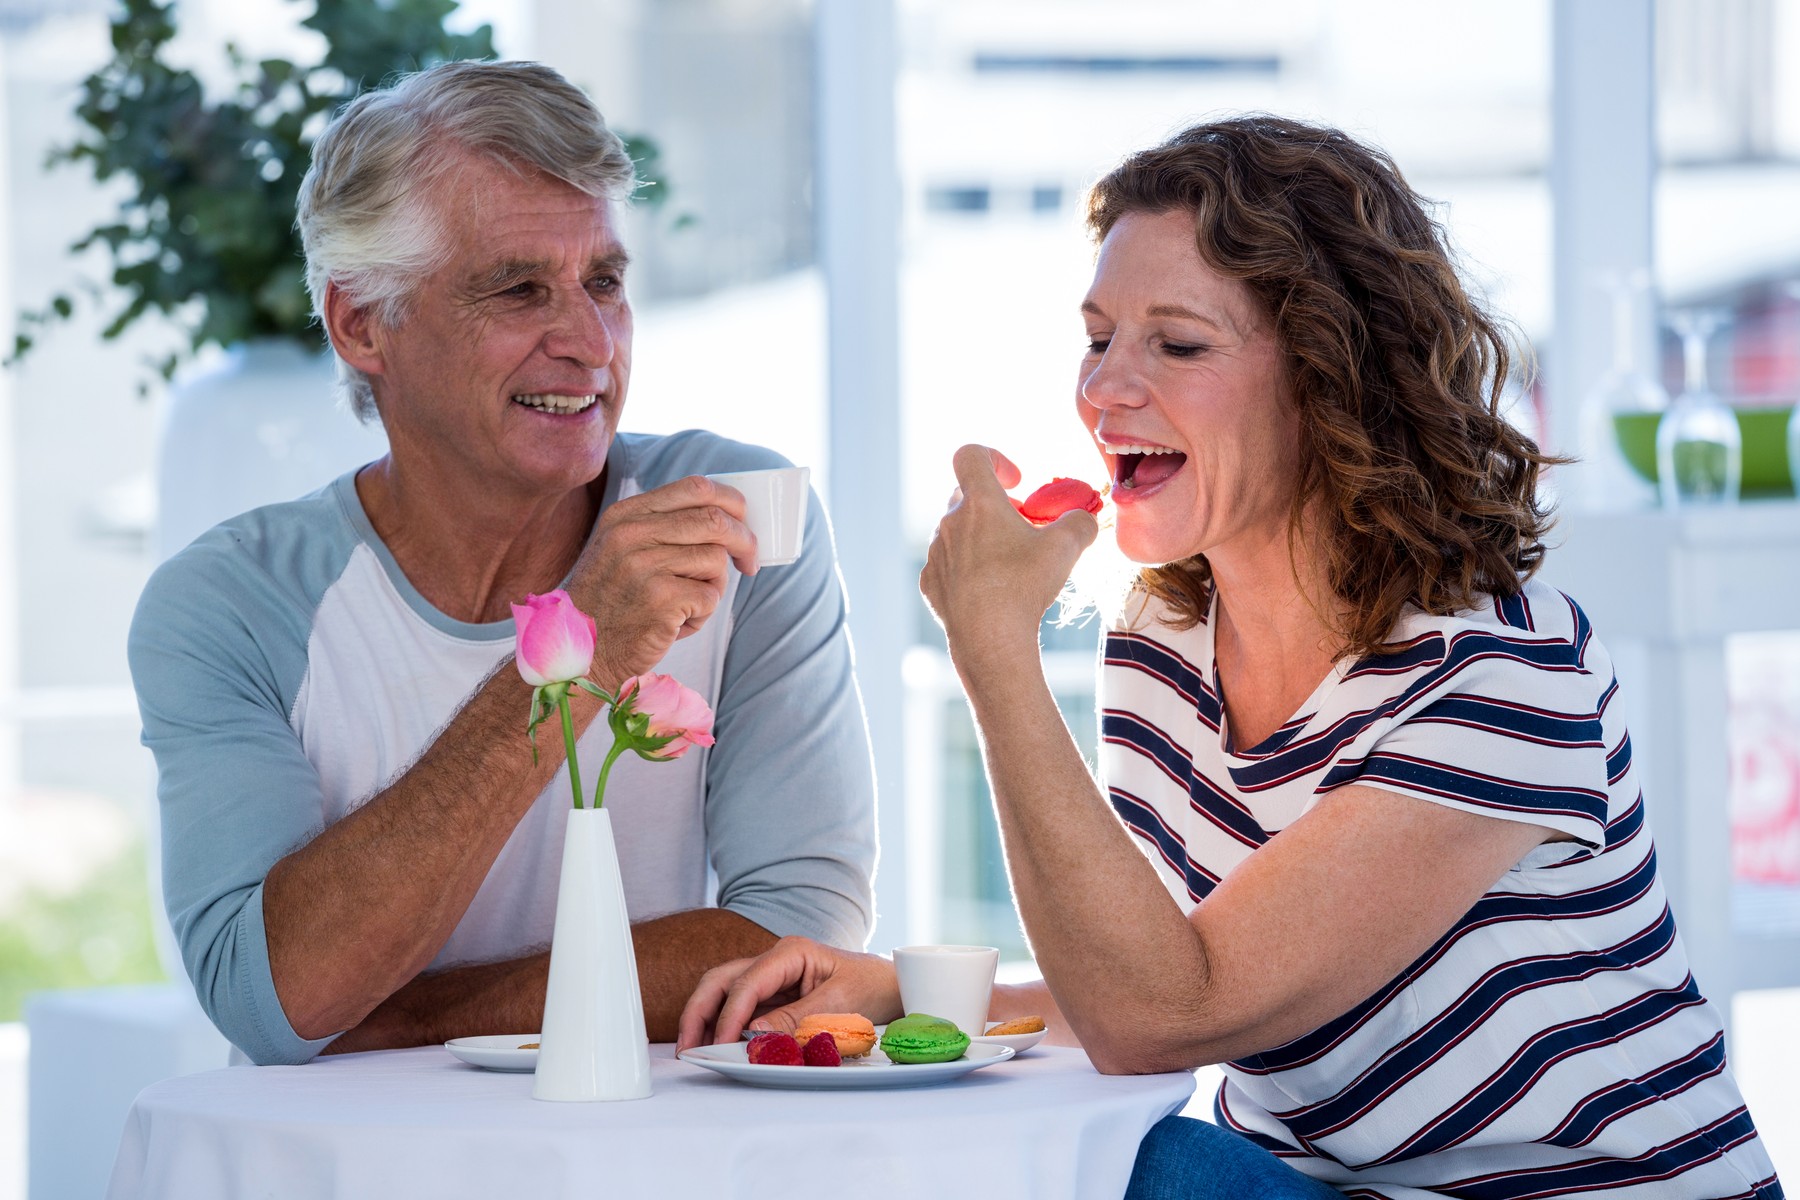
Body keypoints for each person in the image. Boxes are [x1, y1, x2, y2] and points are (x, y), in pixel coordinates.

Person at [678, 117, 1784, 1199]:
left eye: (1179, 343)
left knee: (1136, 1168)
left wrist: (993, 652)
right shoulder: (1160, 648)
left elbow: (1163, 1014)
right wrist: (904, 997)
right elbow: (1158, 975)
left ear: (1328, 379)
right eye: (1099, 335)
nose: (1105, 391)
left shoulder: (1501, 674)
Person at [127, 60, 877, 1067]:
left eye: (604, 283)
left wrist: (402, 1014)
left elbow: (801, 950)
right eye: (519, 289)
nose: (590, 344)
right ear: (361, 323)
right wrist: (576, 649)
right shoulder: (226, 603)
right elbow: (277, 995)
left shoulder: (739, 519)